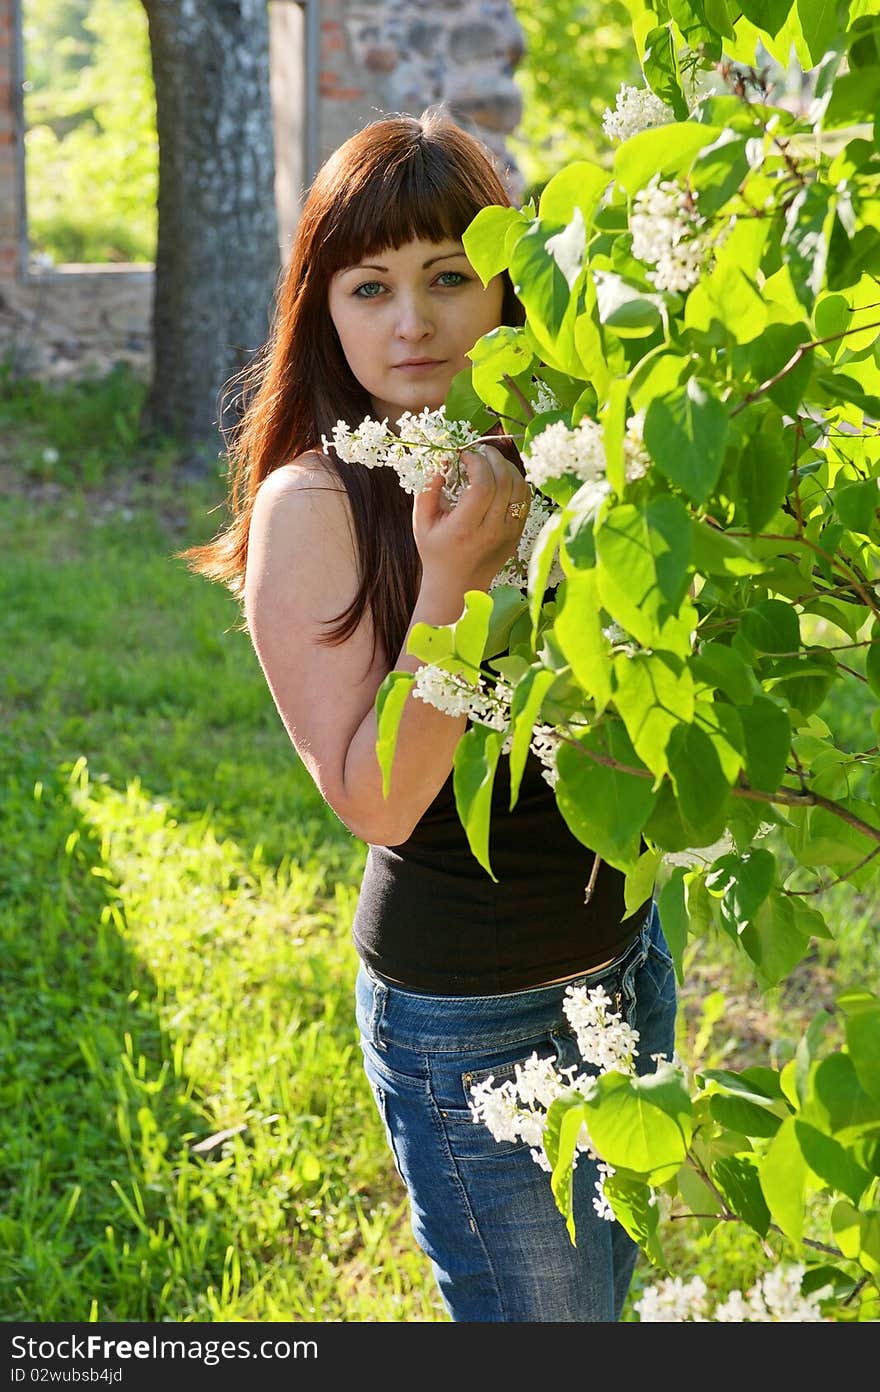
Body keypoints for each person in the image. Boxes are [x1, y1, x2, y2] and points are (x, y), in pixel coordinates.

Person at [184, 110, 677, 1323]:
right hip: (471, 1016)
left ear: (504, 286)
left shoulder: (567, 444)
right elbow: (377, 799)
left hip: (625, 962)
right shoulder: (316, 505)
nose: (413, 321)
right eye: (372, 285)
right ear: (325, 307)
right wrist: (450, 582)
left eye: (448, 277)